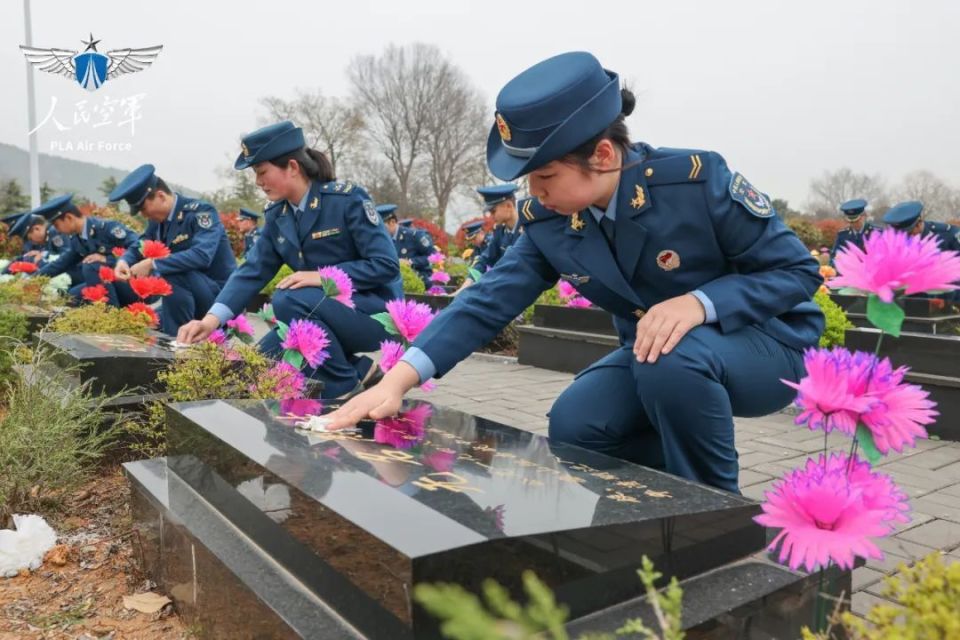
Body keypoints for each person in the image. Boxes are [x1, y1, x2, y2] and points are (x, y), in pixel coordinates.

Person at [324, 51, 824, 493]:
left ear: (603, 156)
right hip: (658, 358)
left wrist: (698, 303)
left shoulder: (695, 182)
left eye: (546, 176)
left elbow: (796, 271)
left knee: (671, 356)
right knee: (577, 425)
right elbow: (486, 301)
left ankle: (716, 510)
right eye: (528, 180)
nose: (535, 193)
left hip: (766, 343)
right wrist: (397, 381)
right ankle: (664, 497)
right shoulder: (551, 221)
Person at [176, 121, 402, 398]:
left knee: (286, 298)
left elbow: (385, 264)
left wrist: (322, 277)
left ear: (292, 167)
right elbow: (252, 271)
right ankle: (360, 370)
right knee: (260, 366)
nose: (258, 182)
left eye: (262, 172)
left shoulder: (345, 200)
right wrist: (210, 321)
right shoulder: (278, 215)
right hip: (316, 314)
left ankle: (344, 387)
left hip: (372, 314)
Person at [109, 164, 238, 336]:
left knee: (171, 270)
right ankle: (176, 335)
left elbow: (201, 256)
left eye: (144, 208)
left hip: (217, 298)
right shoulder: (157, 223)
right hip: (187, 295)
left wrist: (152, 263)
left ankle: (177, 346)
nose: (144, 215)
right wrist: (123, 261)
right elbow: (141, 244)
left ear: (161, 196)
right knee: (145, 321)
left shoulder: (200, 213)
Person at [35, 194, 140, 305]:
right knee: (72, 296)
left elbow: (138, 244)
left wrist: (108, 259)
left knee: (91, 265)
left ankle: (109, 314)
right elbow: (60, 263)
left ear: (69, 218)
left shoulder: (105, 228)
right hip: (111, 285)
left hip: (131, 283)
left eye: (57, 225)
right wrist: (33, 280)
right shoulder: (77, 239)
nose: (57, 231)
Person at [459, 184, 523, 291]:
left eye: (493, 211)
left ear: (508, 206)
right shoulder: (500, 231)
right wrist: (465, 286)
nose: (491, 216)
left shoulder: (528, 229)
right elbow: (485, 260)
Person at [378, 205, 433, 286]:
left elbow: (432, 256)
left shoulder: (414, 236)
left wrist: (410, 262)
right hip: (394, 283)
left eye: (382, 227)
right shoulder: (382, 240)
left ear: (392, 222)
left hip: (419, 281)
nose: (380, 231)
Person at [829, 198, 878, 265]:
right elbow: (834, 258)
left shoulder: (876, 233)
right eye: (850, 221)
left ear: (864, 216)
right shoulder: (843, 235)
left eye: (856, 220)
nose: (853, 223)